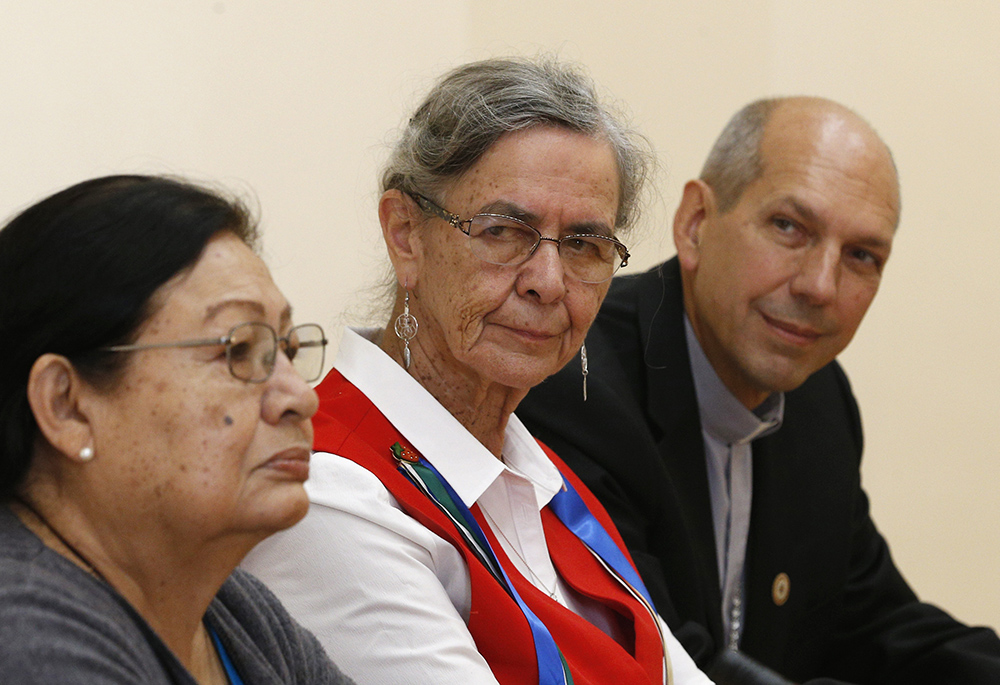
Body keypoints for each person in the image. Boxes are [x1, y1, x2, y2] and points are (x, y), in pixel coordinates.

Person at [243, 58, 712, 685]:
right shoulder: (330, 492)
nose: (548, 282)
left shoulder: (539, 475)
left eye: (583, 245)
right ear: (405, 233)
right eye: (502, 231)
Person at [517, 96, 1000, 684]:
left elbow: (877, 626)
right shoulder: (578, 383)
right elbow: (660, 662)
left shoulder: (819, 401)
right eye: (790, 227)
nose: (821, 286)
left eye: (862, 256)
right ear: (695, 224)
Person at [0, 175, 355, 685]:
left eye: (287, 352)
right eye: (237, 351)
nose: (302, 397)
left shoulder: (238, 612)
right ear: (67, 406)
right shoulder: (26, 642)